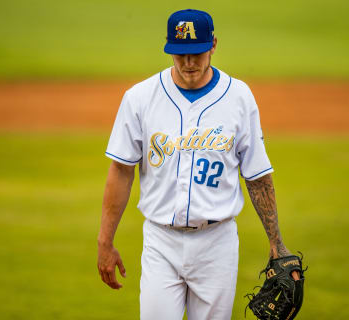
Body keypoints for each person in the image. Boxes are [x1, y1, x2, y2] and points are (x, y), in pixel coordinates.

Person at [97, 8, 299, 320]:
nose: (189, 62)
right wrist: (105, 241)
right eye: (180, 54)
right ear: (168, 49)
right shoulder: (140, 98)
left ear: (213, 45)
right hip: (160, 241)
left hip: (216, 244)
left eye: (197, 53)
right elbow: (121, 171)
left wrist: (277, 244)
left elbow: (258, 176)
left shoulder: (239, 98)